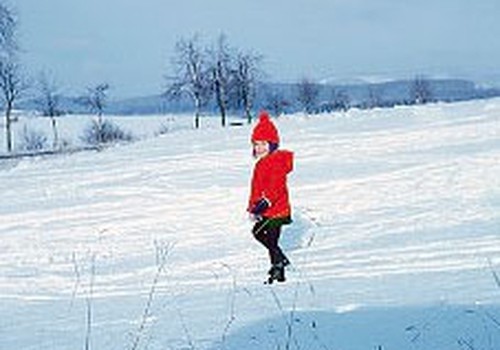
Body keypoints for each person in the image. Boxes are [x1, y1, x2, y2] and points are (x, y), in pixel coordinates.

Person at [248, 110, 294, 284]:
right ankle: (279, 264)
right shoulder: (262, 163)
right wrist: (253, 206)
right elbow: (257, 188)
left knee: (268, 238)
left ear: (272, 144)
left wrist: (264, 203)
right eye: (256, 144)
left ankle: (278, 268)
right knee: (262, 235)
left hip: (277, 210)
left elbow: (276, 187)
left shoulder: (275, 163)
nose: (259, 148)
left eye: (263, 144)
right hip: (267, 210)